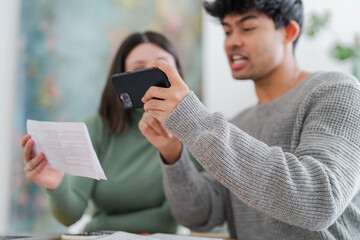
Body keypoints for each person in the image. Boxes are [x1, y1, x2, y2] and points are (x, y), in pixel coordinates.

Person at [138, 1, 360, 239]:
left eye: (248, 28)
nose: (232, 42)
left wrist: (194, 119)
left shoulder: (337, 90)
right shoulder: (238, 123)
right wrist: (172, 152)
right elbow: (198, 215)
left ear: (289, 31)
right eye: (227, 31)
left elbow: (321, 201)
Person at [21, 31, 198, 233]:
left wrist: (99, 225)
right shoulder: (97, 128)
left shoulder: (195, 131)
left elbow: (171, 219)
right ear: (121, 78)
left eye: (161, 68)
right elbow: (71, 215)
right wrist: (56, 185)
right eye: (138, 69)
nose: (150, 80)